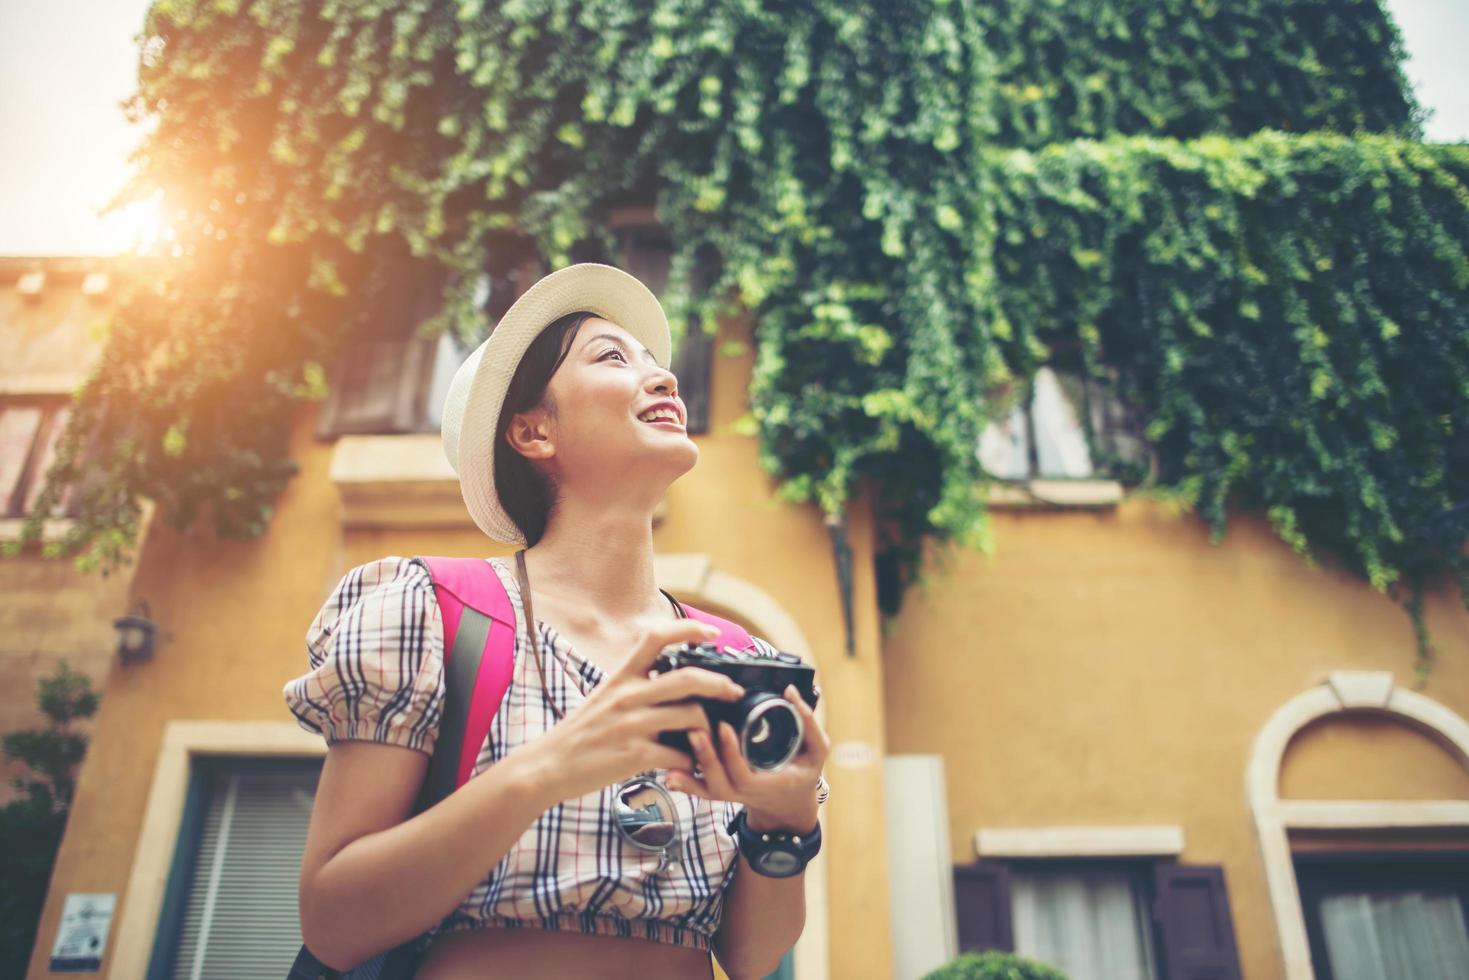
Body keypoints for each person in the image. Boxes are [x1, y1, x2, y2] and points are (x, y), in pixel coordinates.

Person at [284, 263, 830, 979]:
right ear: (532, 431)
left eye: (657, 365)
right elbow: (334, 922)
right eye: (612, 357)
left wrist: (785, 820)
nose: (664, 380)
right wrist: (549, 768)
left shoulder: (732, 656)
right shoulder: (431, 610)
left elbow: (753, 958)